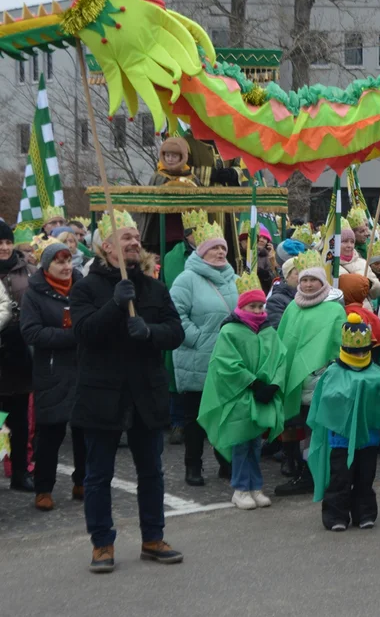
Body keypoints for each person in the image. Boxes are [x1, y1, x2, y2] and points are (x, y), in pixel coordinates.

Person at [69, 210, 185, 572]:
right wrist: (115, 304)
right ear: (106, 246)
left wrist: (149, 332)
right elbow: (84, 332)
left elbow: (176, 332)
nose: (135, 242)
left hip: (145, 394)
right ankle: (102, 543)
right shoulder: (87, 287)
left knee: (151, 471)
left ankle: (153, 537)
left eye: (136, 237)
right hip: (102, 394)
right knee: (98, 474)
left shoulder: (153, 286)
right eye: (126, 238)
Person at [307, 314, 380, 531]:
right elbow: (324, 400)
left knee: (365, 477)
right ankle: (335, 516)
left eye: (362, 350)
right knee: (340, 477)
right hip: (341, 438)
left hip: (368, 437)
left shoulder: (377, 374)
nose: (359, 354)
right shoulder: (333, 372)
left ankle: (365, 513)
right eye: (355, 351)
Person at [198, 274, 287, 510]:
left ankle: (255, 486)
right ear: (241, 306)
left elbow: (280, 358)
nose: (257, 310)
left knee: (255, 443)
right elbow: (225, 363)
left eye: (260, 306)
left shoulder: (268, 331)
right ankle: (240, 488)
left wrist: (274, 385)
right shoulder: (230, 331)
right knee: (240, 442)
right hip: (239, 395)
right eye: (252, 306)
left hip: (261, 397)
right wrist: (253, 383)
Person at [169, 220, 238, 487]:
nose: (220, 252)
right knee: (195, 418)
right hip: (196, 358)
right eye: (214, 249)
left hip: (226, 358)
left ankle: (225, 461)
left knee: (224, 414)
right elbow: (176, 315)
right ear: (201, 252)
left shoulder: (233, 278)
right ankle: (193, 466)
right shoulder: (187, 279)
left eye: (223, 248)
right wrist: (198, 339)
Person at [274, 251, 347, 496]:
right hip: (296, 378)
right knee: (296, 424)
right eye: (303, 279)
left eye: (312, 280)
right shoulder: (293, 308)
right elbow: (284, 340)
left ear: (322, 281)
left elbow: (339, 342)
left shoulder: (334, 310)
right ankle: (299, 469)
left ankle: (315, 473)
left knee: (316, 428)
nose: (307, 284)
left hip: (321, 380)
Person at [20, 240, 84, 510]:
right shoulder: (34, 293)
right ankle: (43, 488)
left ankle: (83, 480)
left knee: (84, 430)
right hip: (51, 370)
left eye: (68, 260)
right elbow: (32, 332)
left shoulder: (82, 288)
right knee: (50, 433)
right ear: (47, 266)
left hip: (83, 367)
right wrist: (72, 336)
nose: (66, 266)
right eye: (59, 261)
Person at [0, 219, 35, 492]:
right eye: (0, 243)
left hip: (19, 349)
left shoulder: (27, 270)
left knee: (20, 417)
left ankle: (21, 472)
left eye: (8, 242)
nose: (4, 247)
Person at [338, 222, 380, 304]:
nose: (349, 245)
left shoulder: (362, 263)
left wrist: (370, 284)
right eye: (345, 241)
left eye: (352, 242)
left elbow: (378, 292)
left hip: (364, 311)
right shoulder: (330, 267)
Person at [266, 256, 299, 328]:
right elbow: (278, 327)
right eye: (297, 273)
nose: (302, 276)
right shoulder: (276, 300)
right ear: (287, 276)